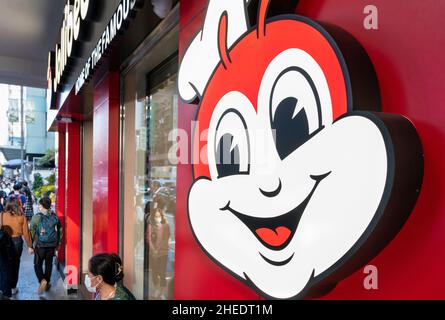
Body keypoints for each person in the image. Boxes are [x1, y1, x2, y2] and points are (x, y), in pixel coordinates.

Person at [30, 197, 63, 294]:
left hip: (40, 245)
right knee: (48, 264)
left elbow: (31, 231)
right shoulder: (54, 216)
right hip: (52, 245)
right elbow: (60, 230)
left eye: (40, 204)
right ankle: (47, 283)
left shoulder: (36, 217)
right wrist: (58, 242)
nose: (39, 206)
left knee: (37, 264)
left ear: (43, 205)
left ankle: (42, 280)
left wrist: (31, 245)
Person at [0, 198, 33, 296]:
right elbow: (26, 233)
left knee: (4, 264)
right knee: (15, 264)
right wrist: (30, 246)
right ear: (17, 205)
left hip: (3, 241)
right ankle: (13, 287)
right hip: (16, 242)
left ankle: (4, 286)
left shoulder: (1, 215)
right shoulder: (22, 216)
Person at [147, 208, 171, 300]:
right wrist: (153, 250)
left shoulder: (166, 226)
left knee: (162, 273)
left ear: (162, 216)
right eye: (156, 216)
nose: (157, 218)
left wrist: (158, 249)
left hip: (163, 253)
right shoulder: (151, 226)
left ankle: (162, 293)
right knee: (154, 273)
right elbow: (149, 239)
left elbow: (166, 239)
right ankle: (156, 289)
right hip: (153, 254)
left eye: (159, 216)